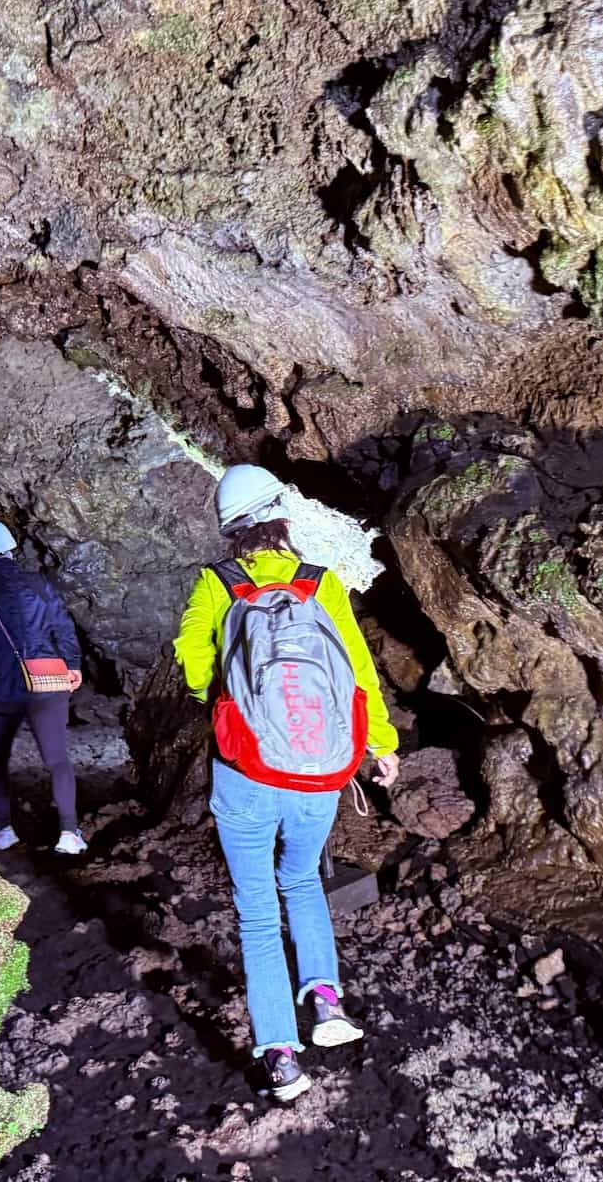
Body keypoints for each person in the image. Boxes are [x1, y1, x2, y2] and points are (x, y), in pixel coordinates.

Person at [174, 464, 400, 1102]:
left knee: (256, 912)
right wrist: (380, 745)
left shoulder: (218, 583)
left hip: (245, 772)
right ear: (280, 517)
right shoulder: (320, 583)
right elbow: (358, 672)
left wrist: (226, 703)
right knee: (301, 881)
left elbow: (191, 658)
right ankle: (326, 1000)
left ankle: (280, 1056)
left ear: (230, 530)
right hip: (318, 770)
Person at [0, 519, 86, 854]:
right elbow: (63, 628)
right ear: (9, 549)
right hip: (48, 679)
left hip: (2, 685)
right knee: (57, 759)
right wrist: (73, 664)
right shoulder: (39, 583)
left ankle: (3, 830)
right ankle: (69, 834)